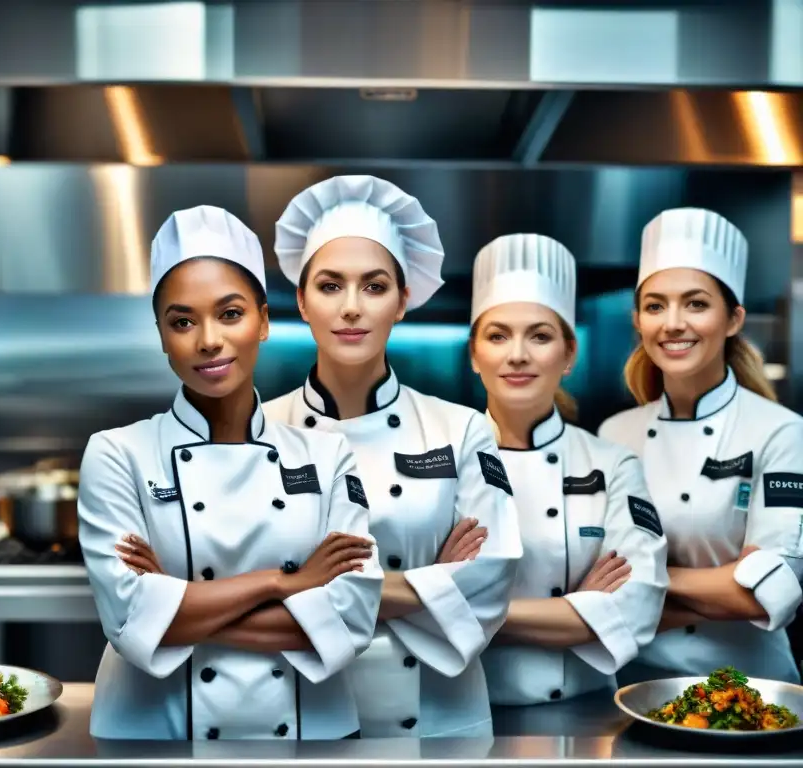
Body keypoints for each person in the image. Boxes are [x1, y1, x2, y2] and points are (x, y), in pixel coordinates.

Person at [77, 205, 384, 741]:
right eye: (182, 321)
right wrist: (284, 583)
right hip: (156, 736)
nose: (208, 341)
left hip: (311, 735)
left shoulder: (327, 454)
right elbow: (129, 622)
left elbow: (351, 620)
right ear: (161, 335)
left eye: (230, 314)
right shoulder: (115, 453)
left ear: (264, 321)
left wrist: (176, 600)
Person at [263, 175, 524, 739]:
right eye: (330, 286)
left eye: (374, 286)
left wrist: (304, 588)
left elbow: (491, 578)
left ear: (404, 300)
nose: (352, 308)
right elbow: (235, 582)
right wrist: (430, 581)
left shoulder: (464, 429)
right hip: (298, 713)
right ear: (302, 301)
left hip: (440, 721)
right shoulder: (260, 431)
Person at [599, 207, 803, 684]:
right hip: (633, 687)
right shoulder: (614, 434)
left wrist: (644, 582)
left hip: (754, 691)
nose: (672, 323)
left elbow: (766, 591)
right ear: (638, 321)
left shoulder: (782, 432)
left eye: (695, 304)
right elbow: (593, 585)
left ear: (733, 319)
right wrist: (722, 583)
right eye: (655, 306)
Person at [469, 233, 668, 707]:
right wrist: (577, 610)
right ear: (475, 356)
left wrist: (470, 612)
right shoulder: (437, 459)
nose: (518, 354)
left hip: (587, 713)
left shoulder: (613, 462)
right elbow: (405, 608)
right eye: (498, 336)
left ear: (569, 355)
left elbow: (637, 608)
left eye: (539, 335)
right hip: (463, 713)